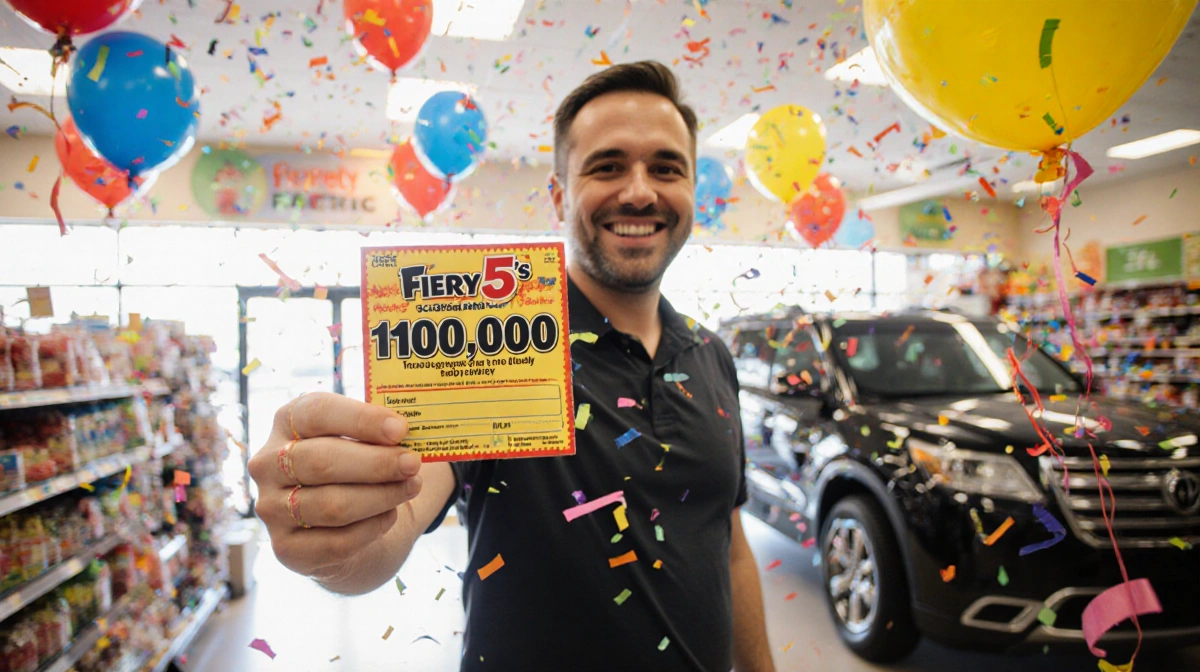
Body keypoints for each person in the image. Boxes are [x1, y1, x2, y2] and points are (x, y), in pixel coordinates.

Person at [249, 61, 775, 672]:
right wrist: (333, 541)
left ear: (691, 192)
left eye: (666, 167)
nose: (639, 190)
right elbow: (386, 535)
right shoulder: (496, 347)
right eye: (607, 166)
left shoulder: (712, 356)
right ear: (559, 195)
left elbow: (729, 545)